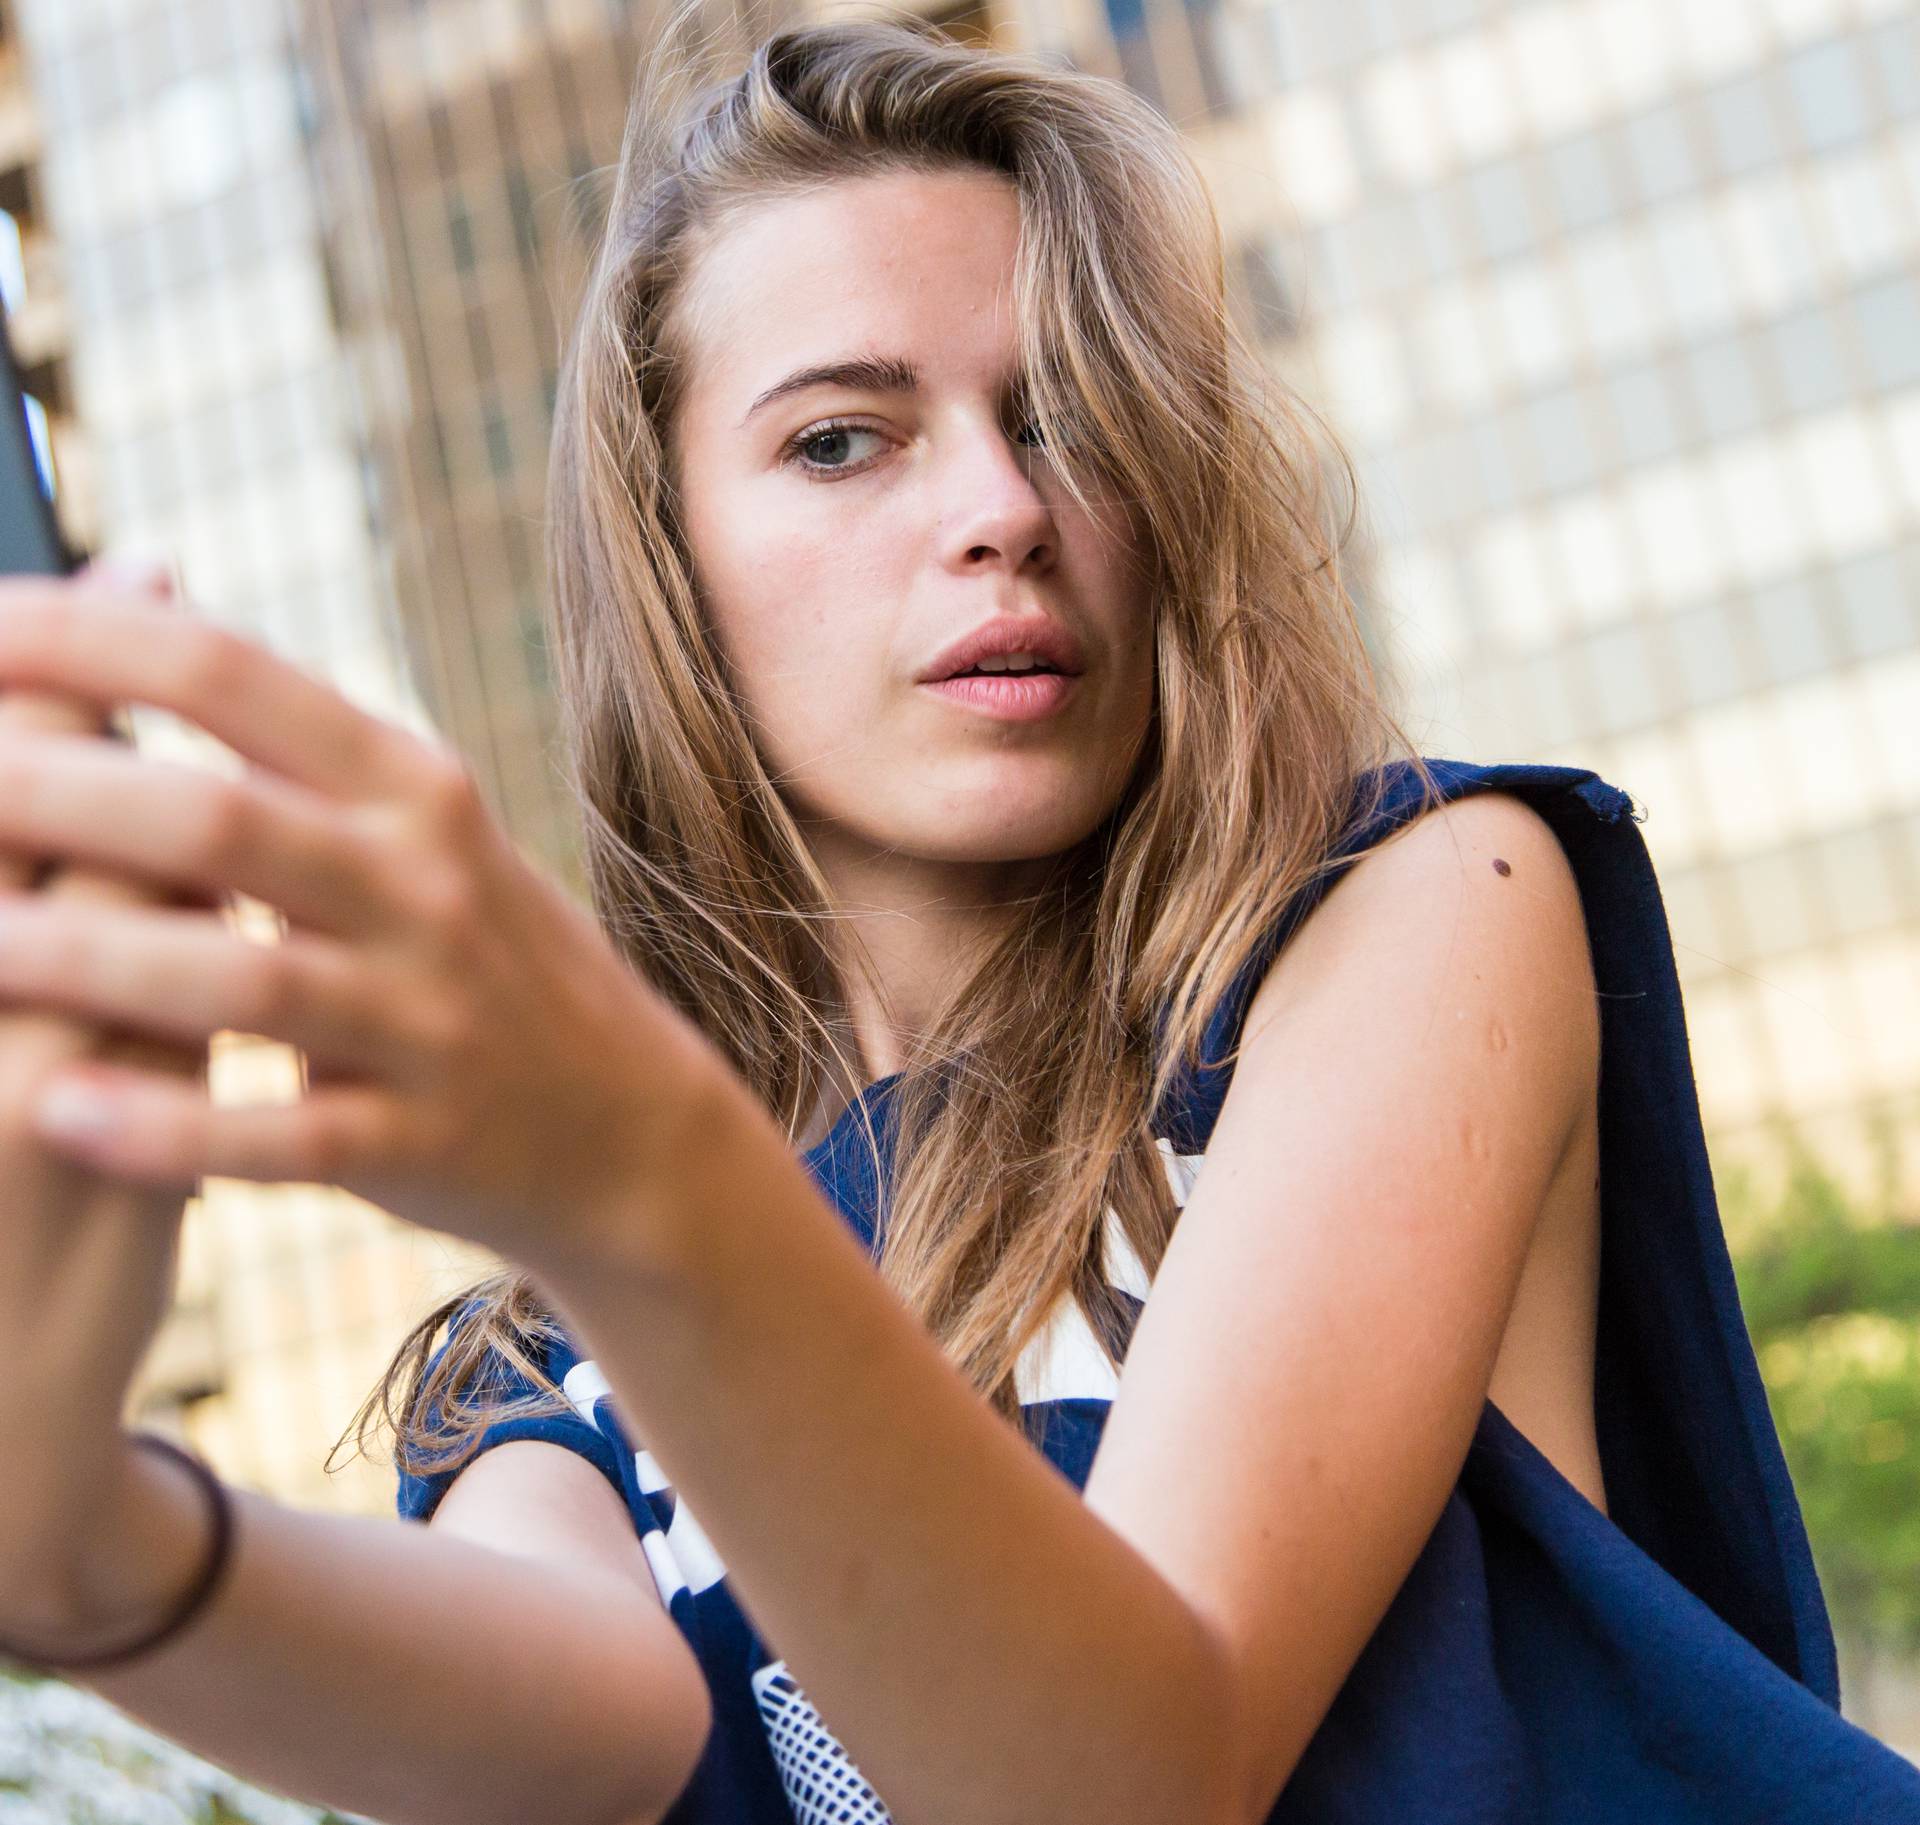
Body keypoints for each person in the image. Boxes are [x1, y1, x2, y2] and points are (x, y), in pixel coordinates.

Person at [0, 11, 1914, 1825]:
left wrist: (621, 1159)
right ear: (670, 569)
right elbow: (593, 1737)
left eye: (1069, 416)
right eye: (844, 438)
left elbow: (1138, 1772)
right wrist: (70, 1528)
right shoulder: (552, 1357)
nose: (1003, 504)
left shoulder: (1412, 913)